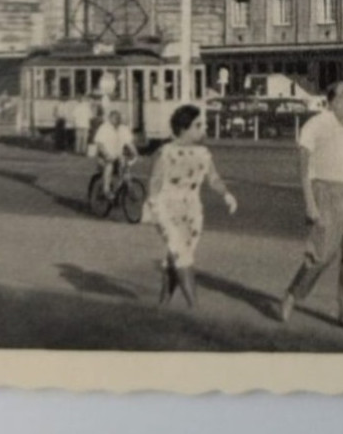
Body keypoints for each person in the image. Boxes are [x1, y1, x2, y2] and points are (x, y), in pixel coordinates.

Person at [278, 81, 343, 329]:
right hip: (325, 192)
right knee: (322, 255)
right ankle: (293, 293)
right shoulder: (316, 125)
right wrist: (310, 204)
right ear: (335, 100)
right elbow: (304, 168)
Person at [148, 104, 237, 308]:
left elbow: (213, 178)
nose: (202, 129)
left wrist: (227, 194)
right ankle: (195, 308)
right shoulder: (165, 152)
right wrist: (152, 207)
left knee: (177, 255)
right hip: (167, 209)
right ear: (184, 128)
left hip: (192, 211)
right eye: (198, 125)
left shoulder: (204, 153)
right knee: (181, 253)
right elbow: (155, 181)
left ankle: (162, 306)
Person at [89, 109, 137, 199]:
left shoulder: (123, 129)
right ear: (110, 118)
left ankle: (128, 189)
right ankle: (106, 189)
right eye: (114, 118)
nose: (117, 120)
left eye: (118, 118)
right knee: (109, 165)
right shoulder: (104, 128)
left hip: (117, 157)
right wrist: (107, 154)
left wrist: (134, 153)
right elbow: (100, 144)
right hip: (104, 157)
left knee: (125, 167)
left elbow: (129, 143)